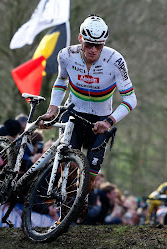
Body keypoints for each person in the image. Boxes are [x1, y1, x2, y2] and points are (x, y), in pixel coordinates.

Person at [39, 14, 137, 193]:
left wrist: (109, 122)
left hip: (101, 119)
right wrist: (52, 108)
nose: (93, 49)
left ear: (104, 43)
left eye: (98, 45)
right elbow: (61, 81)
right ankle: (63, 208)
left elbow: (130, 99)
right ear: (80, 39)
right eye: (88, 44)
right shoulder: (66, 55)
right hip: (74, 114)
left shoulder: (116, 61)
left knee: (90, 178)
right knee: (67, 170)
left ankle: (81, 200)